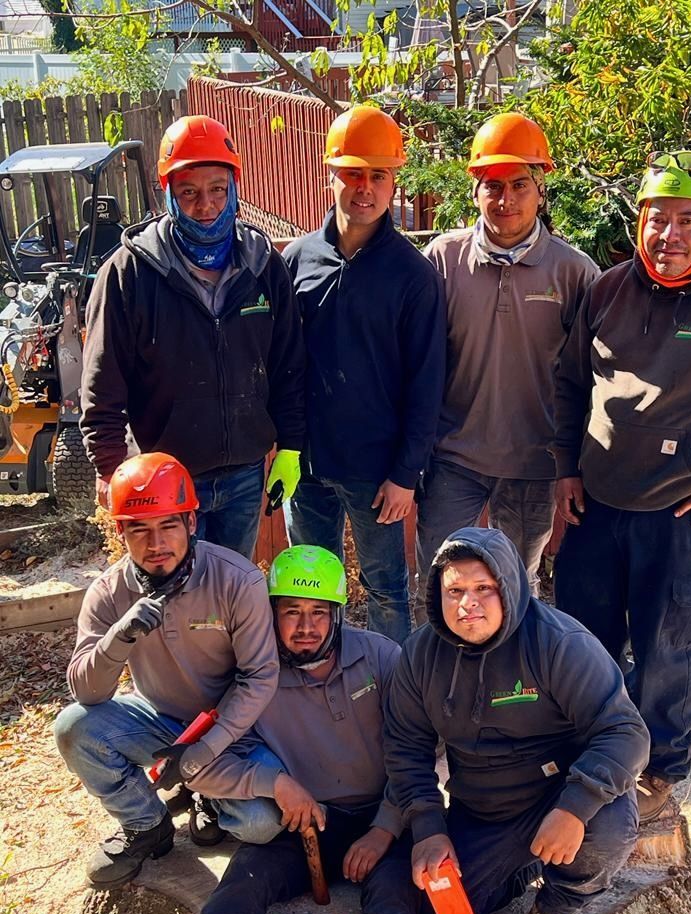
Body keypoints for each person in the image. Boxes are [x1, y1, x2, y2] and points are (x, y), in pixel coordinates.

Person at [97, 544, 410, 914]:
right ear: (269, 615)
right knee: (243, 881)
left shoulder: (383, 658)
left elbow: (416, 752)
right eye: (291, 612)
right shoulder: (252, 681)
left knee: (393, 895)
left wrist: (384, 829)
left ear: (339, 614)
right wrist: (276, 782)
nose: (306, 627)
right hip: (303, 822)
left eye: (319, 612)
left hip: (381, 816)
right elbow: (204, 761)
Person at [552, 150, 691, 822]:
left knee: (670, 650)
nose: (667, 236)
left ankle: (659, 768)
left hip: (682, 516)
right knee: (584, 643)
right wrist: (564, 467)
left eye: (684, 220)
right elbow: (567, 383)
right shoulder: (608, 289)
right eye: (655, 219)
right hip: (597, 502)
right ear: (638, 221)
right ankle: (589, 751)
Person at [381, 527, 649, 914]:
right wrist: (428, 826)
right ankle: (521, 866)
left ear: (510, 587)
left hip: (559, 795)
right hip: (482, 810)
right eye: (455, 591)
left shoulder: (559, 642)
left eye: (484, 588)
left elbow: (626, 733)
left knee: (606, 828)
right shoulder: (420, 655)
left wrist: (574, 808)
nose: (469, 604)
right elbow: (405, 747)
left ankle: (557, 909)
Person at [80, 114, 305, 560]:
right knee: (174, 603)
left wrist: (291, 447)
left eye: (217, 190)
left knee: (229, 592)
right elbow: (102, 384)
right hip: (164, 479)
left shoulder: (263, 266)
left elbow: (288, 365)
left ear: (233, 189)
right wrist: (109, 467)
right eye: (190, 193)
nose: (206, 206)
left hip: (244, 474)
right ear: (169, 194)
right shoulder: (130, 273)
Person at [54, 452, 281, 889]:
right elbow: (87, 692)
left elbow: (260, 678)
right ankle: (147, 824)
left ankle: (206, 801)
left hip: (231, 729)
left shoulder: (238, 581)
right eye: (139, 529)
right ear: (121, 532)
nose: (156, 544)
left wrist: (206, 749)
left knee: (261, 825)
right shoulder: (107, 592)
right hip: (158, 719)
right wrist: (119, 637)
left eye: (168, 526)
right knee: (74, 727)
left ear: (191, 523)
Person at [414, 113, 598, 619]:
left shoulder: (574, 271)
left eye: (520, 184)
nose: (506, 199)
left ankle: (518, 689)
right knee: (440, 579)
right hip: (454, 457)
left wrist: (572, 464)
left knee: (518, 587)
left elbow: (592, 377)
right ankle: (441, 687)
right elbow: (415, 360)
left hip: (534, 462)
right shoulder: (442, 261)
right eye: (493, 186)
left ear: (541, 188)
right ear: (475, 191)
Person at [282, 105, 446, 644]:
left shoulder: (413, 275)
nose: (365, 188)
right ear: (330, 174)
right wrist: (284, 446)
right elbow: (283, 361)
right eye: (353, 173)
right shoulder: (298, 259)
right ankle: (321, 687)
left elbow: (427, 385)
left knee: (385, 590)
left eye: (378, 175)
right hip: (305, 466)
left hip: (377, 474)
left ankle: (392, 699)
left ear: (394, 181)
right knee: (313, 587)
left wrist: (405, 474)